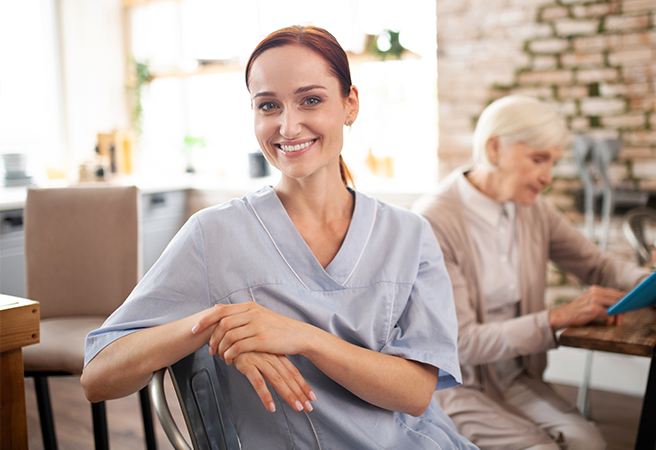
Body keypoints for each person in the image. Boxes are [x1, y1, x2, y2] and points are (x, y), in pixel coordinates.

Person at [82, 25, 477, 449]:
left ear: (350, 104)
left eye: (311, 99)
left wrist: (304, 337)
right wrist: (218, 324)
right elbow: (98, 376)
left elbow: (416, 394)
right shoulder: (214, 235)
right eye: (269, 106)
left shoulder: (410, 234)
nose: (288, 127)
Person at [412, 95, 653, 450]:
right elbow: (460, 343)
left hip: (515, 377)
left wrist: (645, 282)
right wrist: (556, 318)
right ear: (495, 149)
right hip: (458, 387)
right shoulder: (434, 220)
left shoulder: (533, 209)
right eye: (538, 159)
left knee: (589, 442)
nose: (547, 177)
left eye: (552, 162)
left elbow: (598, 265)